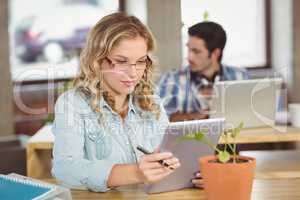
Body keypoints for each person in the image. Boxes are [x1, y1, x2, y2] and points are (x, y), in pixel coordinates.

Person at [51, 13, 203, 192]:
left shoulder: (151, 100)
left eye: (140, 62)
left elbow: (169, 157)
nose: (133, 73)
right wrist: (137, 173)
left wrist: (194, 175)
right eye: (122, 62)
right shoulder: (72, 103)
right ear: (97, 61)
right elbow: (65, 170)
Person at [159, 21, 249, 122]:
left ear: (215, 53)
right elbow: (159, 120)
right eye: (189, 49)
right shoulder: (172, 79)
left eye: (196, 51)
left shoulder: (239, 76)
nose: (189, 57)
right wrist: (198, 116)